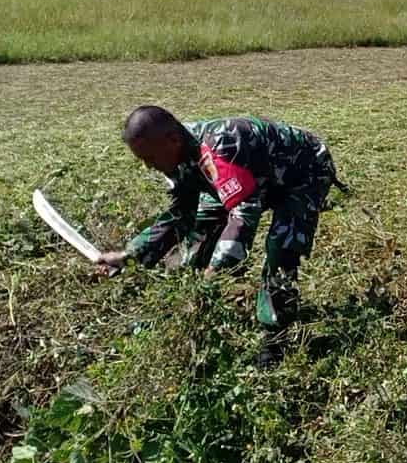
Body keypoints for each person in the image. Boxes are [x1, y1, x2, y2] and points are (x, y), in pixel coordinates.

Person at [97, 106, 342, 354]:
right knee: (198, 238)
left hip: (304, 173)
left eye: (150, 158)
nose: (149, 166)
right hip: (249, 177)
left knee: (282, 247)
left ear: (172, 140)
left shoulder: (220, 148)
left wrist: (216, 269)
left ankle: (275, 336)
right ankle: (180, 313)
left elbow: (244, 216)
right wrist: (130, 255)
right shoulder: (178, 154)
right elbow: (181, 213)